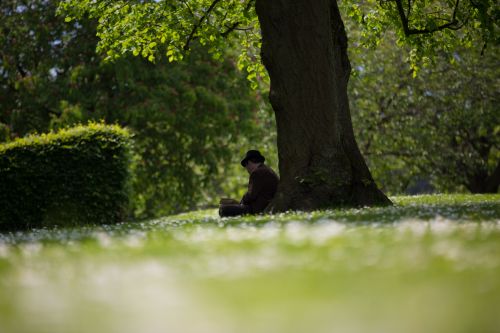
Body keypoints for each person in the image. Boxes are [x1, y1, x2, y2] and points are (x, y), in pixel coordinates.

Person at [219, 150, 279, 217]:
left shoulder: (257, 173)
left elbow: (251, 195)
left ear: (249, 162)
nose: (246, 168)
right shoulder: (268, 170)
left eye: (245, 165)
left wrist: (241, 201)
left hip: (257, 209)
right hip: (265, 206)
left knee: (223, 209)